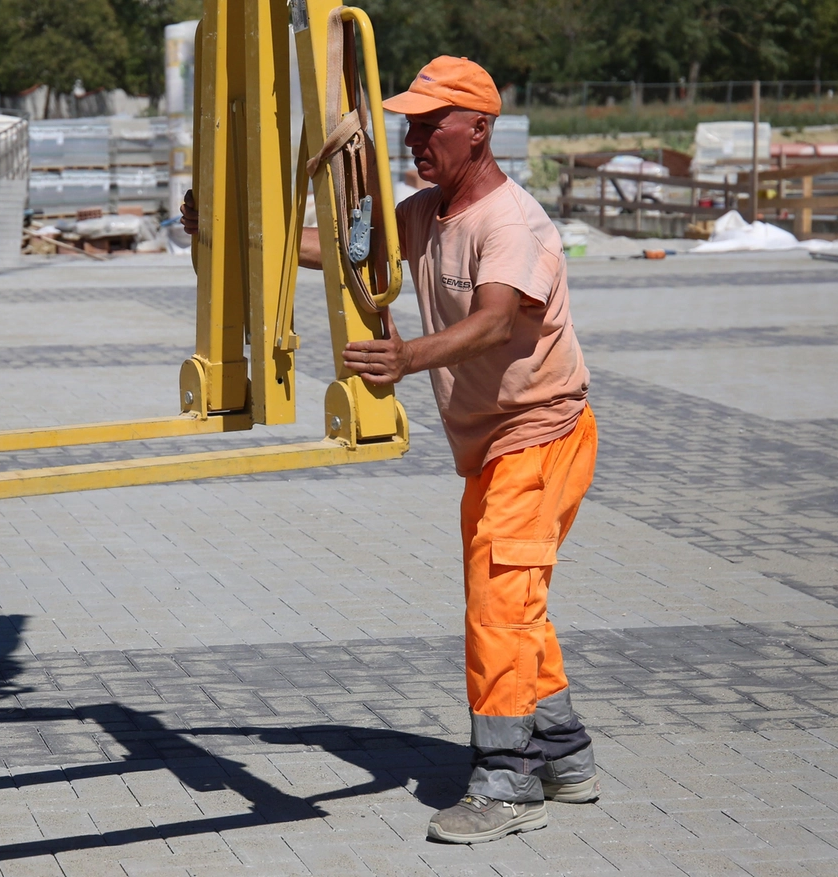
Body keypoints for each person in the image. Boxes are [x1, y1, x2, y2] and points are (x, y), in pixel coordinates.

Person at [181, 55, 598, 845]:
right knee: (512, 596)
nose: (413, 137)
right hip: (495, 442)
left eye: (429, 123)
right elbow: (345, 251)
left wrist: (409, 358)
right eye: (408, 123)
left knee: (498, 600)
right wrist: (236, 234)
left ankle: (507, 784)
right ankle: (565, 754)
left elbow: (497, 320)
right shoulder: (431, 211)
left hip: (542, 434)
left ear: (478, 128)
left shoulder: (509, 222)